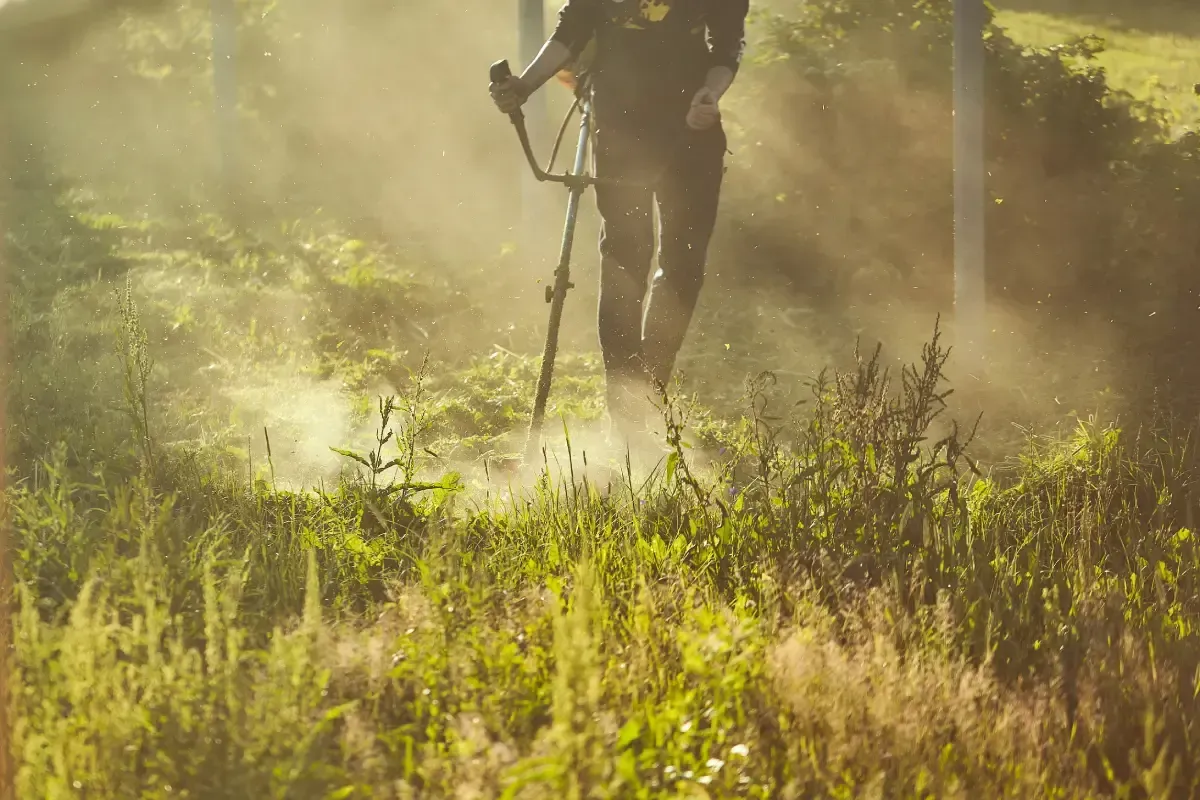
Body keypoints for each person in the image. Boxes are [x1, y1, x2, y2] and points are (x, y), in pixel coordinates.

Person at [490, 0, 749, 446]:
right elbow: (572, 30)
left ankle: (650, 393)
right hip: (620, 128)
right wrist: (526, 85)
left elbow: (726, 48)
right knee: (626, 259)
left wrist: (710, 95)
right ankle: (624, 412)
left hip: (692, 132)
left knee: (683, 266)